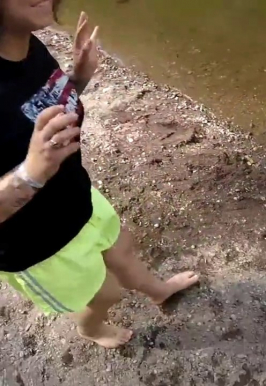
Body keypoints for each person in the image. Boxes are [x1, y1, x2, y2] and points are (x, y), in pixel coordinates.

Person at [0, 0, 199, 349]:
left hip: (75, 196)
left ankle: (159, 291)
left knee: (123, 249)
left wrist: (78, 77)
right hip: (33, 244)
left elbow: (34, 112)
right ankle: (91, 329)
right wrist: (31, 172)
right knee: (106, 293)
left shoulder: (25, 43)